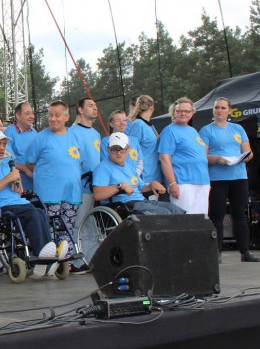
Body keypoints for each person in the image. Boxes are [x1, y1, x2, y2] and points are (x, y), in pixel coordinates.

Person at [0, 129, 58, 261]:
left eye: (4, 144)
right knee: (32, 213)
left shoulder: (6, 164)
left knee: (40, 212)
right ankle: (42, 254)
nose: (2, 148)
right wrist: (7, 179)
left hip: (18, 203)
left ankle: (46, 253)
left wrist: (17, 183)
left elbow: (19, 192)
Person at [199, 97, 260, 263]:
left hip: (238, 176)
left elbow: (248, 152)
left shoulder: (238, 128)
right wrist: (217, 159)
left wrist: (244, 157)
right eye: (216, 107)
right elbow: (202, 156)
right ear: (213, 110)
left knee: (239, 214)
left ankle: (245, 251)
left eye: (223, 107)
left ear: (229, 110)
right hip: (217, 177)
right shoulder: (206, 130)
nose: (219, 110)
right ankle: (216, 251)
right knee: (216, 214)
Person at [25, 101, 83, 267]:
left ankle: (65, 264)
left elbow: (79, 161)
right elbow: (29, 163)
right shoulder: (40, 138)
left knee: (67, 228)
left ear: (66, 117)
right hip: (49, 193)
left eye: (57, 115)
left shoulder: (74, 135)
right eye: (50, 115)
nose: (53, 119)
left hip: (72, 192)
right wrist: (45, 175)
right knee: (50, 229)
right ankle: (48, 263)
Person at [92, 132, 185, 216]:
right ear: (108, 149)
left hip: (141, 202)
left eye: (121, 149)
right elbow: (97, 195)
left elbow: (141, 187)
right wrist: (120, 186)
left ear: (128, 149)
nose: (118, 153)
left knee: (175, 210)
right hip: (124, 206)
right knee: (164, 213)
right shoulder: (103, 168)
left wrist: (151, 184)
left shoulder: (129, 167)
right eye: (114, 149)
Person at [159, 97, 210, 215]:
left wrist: (205, 180)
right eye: (179, 111)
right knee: (185, 220)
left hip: (202, 181)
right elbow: (164, 158)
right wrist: (172, 183)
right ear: (174, 112)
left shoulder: (193, 130)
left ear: (192, 113)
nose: (183, 113)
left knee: (201, 219)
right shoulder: (169, 131)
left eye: (187, 111)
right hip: (182, 181)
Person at [69, 97, 102, 271]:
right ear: (80, 109)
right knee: (79, 223)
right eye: (90, 105)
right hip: (80, 186)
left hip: (95, 186)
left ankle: (91, 259)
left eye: (95, 105)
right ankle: (76, 261)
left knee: (91, 223)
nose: (95, 108)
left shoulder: (96, 134)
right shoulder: (72, 132)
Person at [127, 94, 161, 185]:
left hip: (155, 174)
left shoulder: (150, 125)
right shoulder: (138, 124)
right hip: (145, 176)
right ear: (152, 107)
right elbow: (132, 150)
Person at [4, 101, 36, 190]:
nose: (32, 116)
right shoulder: (8, 133)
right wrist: (25, 170)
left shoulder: (34, 132)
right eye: (27, 113)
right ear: (18, 115)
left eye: (32, 113)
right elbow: (5, 160)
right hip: (17, 185)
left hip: (34, 183)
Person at [100, 110, 143, 177]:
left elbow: (140, 162)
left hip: (134, 179)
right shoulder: (106, 141)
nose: (122, 123)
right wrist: (122, 178)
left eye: (124, 120)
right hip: (116, 179)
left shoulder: (134, 140)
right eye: (118, 120)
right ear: (111, 124)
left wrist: (134, 176)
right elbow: (105, 162)